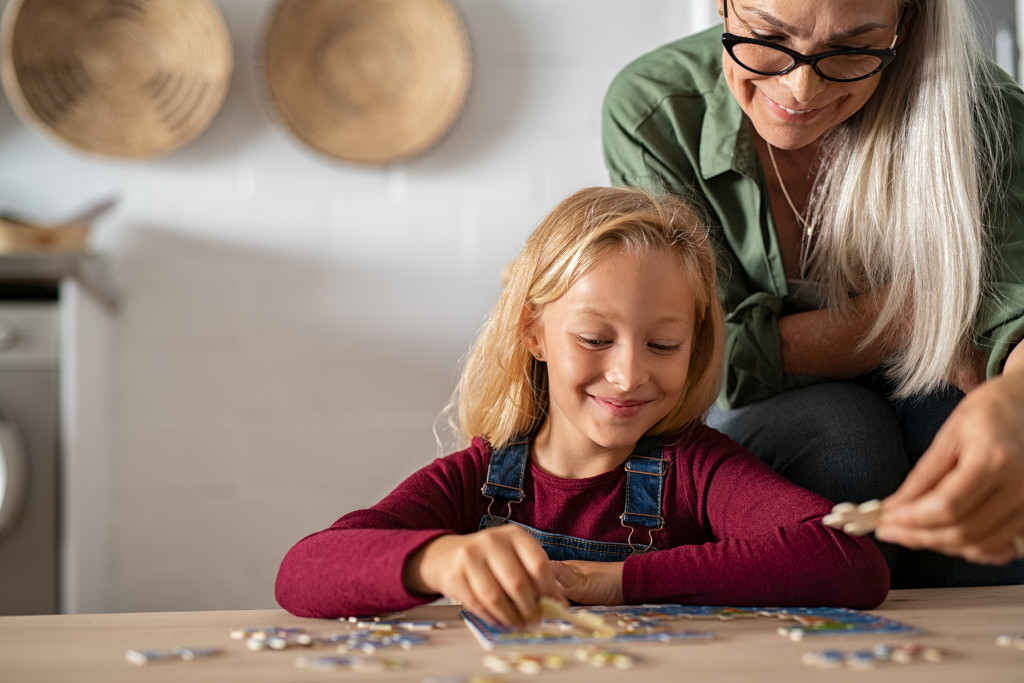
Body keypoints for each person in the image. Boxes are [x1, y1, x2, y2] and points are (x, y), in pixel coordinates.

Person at [275, 186, 889, 625]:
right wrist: (439, 560)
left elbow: (850, 560)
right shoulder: (480, 480)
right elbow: (301, 572)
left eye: (664, 344)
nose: (627, 375)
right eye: (595, 340)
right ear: (533, 334)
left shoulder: (695, 470)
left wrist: (620, 581)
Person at [602, 0, 1024, 588]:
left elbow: (1013, 315)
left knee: (968, 448)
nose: (801, 88)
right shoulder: (655, 109)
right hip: (771, 402)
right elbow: (699, 354)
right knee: (846, 445)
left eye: (852, 48)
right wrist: (906, 318)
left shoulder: (985, 111)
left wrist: (1014, 405)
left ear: (906, 25)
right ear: (723, 7)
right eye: (768, 37)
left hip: (930, 381)